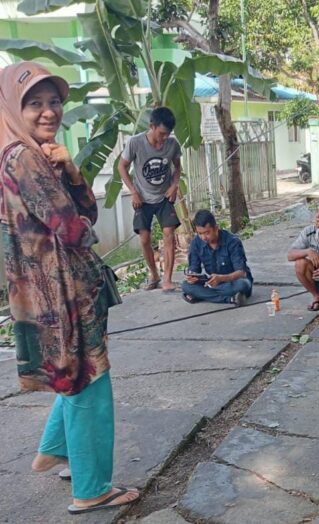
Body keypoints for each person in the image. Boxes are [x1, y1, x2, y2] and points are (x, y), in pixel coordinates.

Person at [0, 62, 139, 514]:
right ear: (11, 106)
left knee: (71, 375)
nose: (48, 112)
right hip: (58, 291)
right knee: (88, 379)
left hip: (44, 290)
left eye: (54, 101)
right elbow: (77, 228)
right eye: (34, 103)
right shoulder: (23, 158)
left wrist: (73, 170)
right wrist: (77, 212)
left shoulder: (29, 153)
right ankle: (92, 487)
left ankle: (55, 450)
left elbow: (83, 213)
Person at [118, 106, 182, 291]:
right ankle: (154, 274)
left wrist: (174, 185)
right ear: (152, 126)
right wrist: (133, 191)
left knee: (169, 235)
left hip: (164, 198)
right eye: (162, 133)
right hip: (142, 199)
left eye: (168, 134)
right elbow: (122, 166)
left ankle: (168, 280)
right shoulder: (135, 142)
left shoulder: (172, 144)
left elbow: (177, 167)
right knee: (144, 239)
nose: (164, 138)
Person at [181, 209, 253, 306]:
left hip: (233, 282)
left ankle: (201, 295)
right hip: (212, 283)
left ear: (216, 228)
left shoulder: (233, 242)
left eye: (207, 233)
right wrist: (192, 277)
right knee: (186, 286)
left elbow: (241, 272)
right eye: (200, 233)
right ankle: (230, 299)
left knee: (243, 285)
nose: (203, 237)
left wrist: (222, 278)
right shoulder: (196, 243)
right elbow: (194, 270)